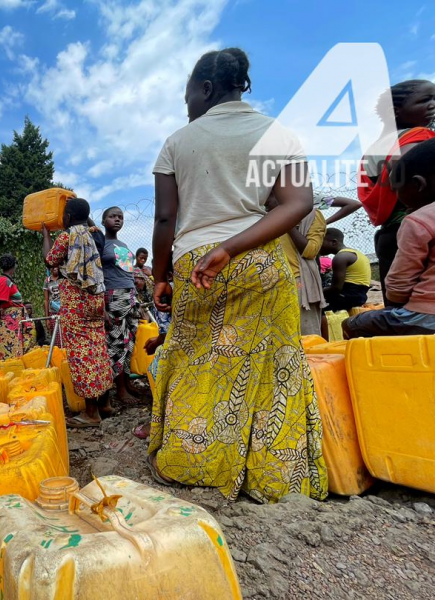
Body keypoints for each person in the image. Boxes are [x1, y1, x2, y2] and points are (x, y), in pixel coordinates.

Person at [149, 48, 327, 503]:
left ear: (206, 89)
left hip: (195, 265)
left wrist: (161, 276)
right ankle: (273, 480)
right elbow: (297, 204)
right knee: (274, 367)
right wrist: (232, 247)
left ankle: (189, 463)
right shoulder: (278, 133)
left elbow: (166, 219)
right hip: (260, 262)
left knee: (195, 361)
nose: (186, 104)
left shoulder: (177, 141)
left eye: (188, 93)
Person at [345, 139, 435, 337]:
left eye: (395, 190)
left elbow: (398, 285)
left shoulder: (418, 220)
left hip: (427, 316)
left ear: (418, 185)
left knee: (353, 324)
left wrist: (395, 302)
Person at [359, 80, 435, 304]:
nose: (432, 105)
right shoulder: (416, 137)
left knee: (400, 311)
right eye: (425, 100)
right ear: (395, 111)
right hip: (422, 233)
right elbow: (403, 168)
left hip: (391, 233)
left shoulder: (376, 147)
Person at [42, 198, 114, 426]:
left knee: (82, 354)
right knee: (98, 349)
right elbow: (87, 223)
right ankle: (105, 403)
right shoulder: (95, 234)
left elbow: (50, 260)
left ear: (68, 218)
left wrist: (45, 233)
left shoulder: (67, 236)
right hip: (96, 300)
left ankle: (91, 413)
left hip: (76, 301)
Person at [100, 206, 143, 405]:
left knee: (130, 342)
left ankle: (127, 381)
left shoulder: (123, 243)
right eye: (112, 216)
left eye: (120, 217)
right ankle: (120, 389)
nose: (117, 220)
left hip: (130, 294)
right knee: (117, 342)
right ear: (103, 221)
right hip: (113, 295)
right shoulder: (100, 242)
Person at [268, 196, 327, 335]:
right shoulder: (262, 217)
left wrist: (285, 218)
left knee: (306, 335)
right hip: (271, 283)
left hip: (298, 282)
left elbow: (311, 251)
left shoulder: (311, 215)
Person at [318, 228, 371, 313]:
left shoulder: (340, 257)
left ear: (333, 242)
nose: (317, 245)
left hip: (347, 297)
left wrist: (316, 293)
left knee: (316, 308)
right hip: (360, 295)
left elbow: (336, 289)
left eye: (320, 242)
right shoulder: (356, 253)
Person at [0, 254, 26, 360]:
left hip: (14, 321)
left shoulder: (7, 281)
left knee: (14, 348)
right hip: (10, 321)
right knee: (10, 350)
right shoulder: (4, 281)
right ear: (13, 266)